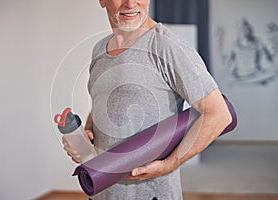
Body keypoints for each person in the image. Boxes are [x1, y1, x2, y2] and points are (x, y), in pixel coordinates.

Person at [63, 0, 232, 199]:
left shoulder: (167, 46)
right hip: (102, 191)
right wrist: (86, 135)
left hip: (151, 194)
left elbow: (219, 114)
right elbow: (103, 103)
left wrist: (170, 164)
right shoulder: (99, 49)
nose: (130, 3)